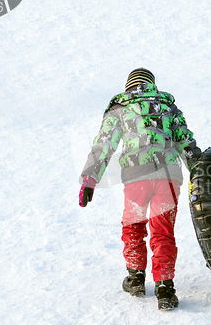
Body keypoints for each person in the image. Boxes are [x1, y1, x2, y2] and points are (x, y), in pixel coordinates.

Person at [78, 68, 201, 310]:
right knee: (163, 231)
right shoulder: (168, 107)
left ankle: (135, 278)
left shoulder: (121, 108)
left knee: (133, 225)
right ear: (152, 86)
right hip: (168, 177)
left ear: (129, 87)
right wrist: (201, 175)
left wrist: (90, 179)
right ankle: (165, 288)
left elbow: (104, 143)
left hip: (137, 178)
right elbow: (186, 142)